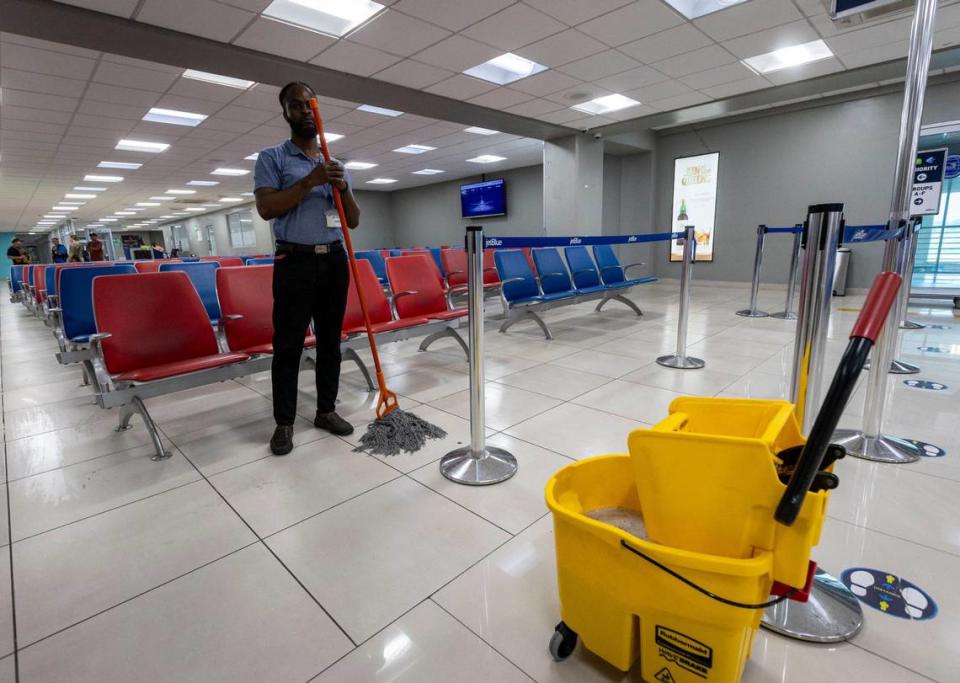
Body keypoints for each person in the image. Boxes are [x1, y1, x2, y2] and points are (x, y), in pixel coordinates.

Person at [254, 81, 360, 456]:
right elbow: (267, 208)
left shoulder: (335, 164)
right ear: (285, 113)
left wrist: (342, 186)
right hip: (294, 261)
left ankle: (326, 411)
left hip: (333, 260)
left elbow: (353, 220)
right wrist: (310, 181)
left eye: (310, 105)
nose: (305, 111)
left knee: (331, 342)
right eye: (296, 106)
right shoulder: (273, 158)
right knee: (289, 346)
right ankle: (284, 423)